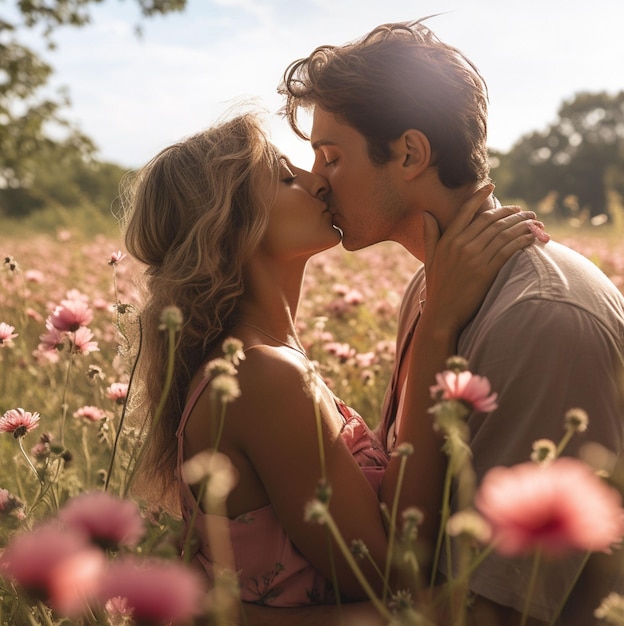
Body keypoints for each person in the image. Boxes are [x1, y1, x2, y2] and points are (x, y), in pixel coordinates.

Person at [121, 109, 540, 624]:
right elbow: (393, 572)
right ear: (232, 225)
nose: (316, 179)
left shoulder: (261, 362)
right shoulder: (263, 376)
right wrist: (438, 326)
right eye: (283, 176)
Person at [279, 17, 624, 626]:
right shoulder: (433, 288)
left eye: (331, 156)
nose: (316, 181)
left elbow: (494, 608)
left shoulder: (541, 319)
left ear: (410, 153)